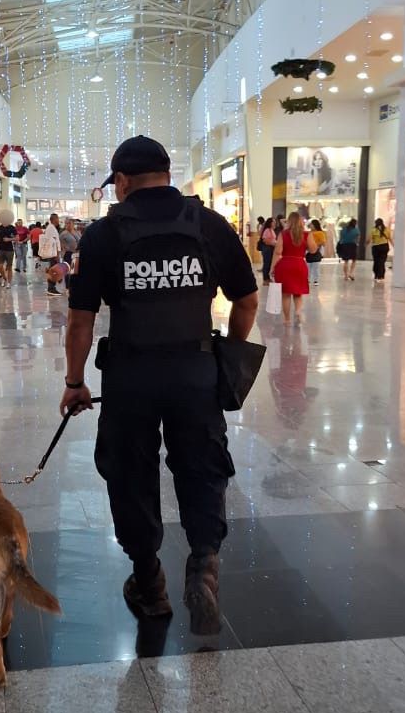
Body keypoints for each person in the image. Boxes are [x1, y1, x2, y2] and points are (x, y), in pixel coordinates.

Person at [61, 135, 259, 636]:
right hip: (195, 373)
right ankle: (204, 565)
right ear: (167, 174)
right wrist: (226, 353)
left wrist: (75, 382)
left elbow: (81, 321)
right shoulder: (210, 225)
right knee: (202, 467)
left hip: (131, 377)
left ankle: (150, 583)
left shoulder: (104, 235)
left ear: (122, 182)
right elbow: (247, 301)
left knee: (130, 474)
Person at [271, 211, 315, 326]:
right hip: (300, 264)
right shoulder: (306, 234)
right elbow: (313, 250)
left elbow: (278, 252)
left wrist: (272, 268)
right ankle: (298, 311)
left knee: (285, 294)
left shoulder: (283, 234)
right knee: (298, 293)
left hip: (285, 265)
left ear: (289, 221)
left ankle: (287, 320)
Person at [39, 213, 61, 294]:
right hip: (53, 253)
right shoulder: (51, 228)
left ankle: (52, 287)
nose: (58, 220)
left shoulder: (51, 228)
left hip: (53, 253)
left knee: (53, 270)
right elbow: (53, 242)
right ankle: (51, 288)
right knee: (53, 271)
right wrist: (57, 254)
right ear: (54, 219)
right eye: (57, 218)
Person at [306, 218, 326, 287]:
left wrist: (316, 245)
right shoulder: (309, 233)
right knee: (308, 266)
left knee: (316, 266)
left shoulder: (320, 233)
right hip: (308, 251)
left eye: (312, 224)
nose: (311, 226)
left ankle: (316, 280)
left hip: (316, 251)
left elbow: (323, 242)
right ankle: (307, 279)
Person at [0, 217, 16, 286]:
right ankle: (5, 278)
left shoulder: (12, 228)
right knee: (0, 266)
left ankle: (9, 283)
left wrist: (9, 239)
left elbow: (17, 238)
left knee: (9, 267)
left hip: (9, 250)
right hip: (1, 249)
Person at [258, 217, 277, 285]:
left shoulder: (271, 230)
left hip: (271, 248)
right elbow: (265, 240)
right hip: (267, 249)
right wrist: (274, 244)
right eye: (273, 222)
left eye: (275, 222)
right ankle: (265, 279)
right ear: (270, 223)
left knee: (269, 264)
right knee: (266, 263)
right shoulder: (267, 230)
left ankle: (268, 278)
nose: (275, 223)